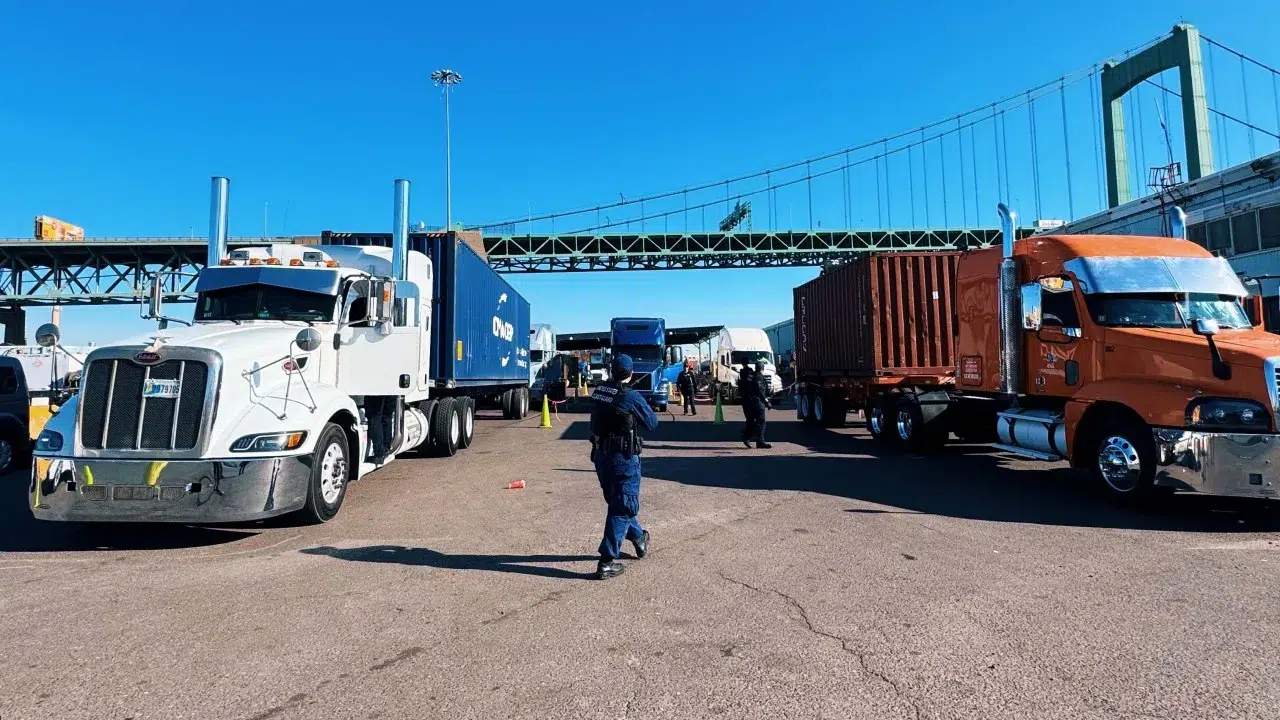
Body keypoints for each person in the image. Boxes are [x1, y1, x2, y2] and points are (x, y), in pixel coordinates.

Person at [588, 354, 659, 580]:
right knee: (623, 506)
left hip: (601, 456)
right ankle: (607, 561)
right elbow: (652, 423)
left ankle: (638, 537)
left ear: (611, 370)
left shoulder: (600, 391)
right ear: (631, 374)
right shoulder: (630, 396)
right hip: (622, 458)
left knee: (618, 503)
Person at [739, 360, 773, 449]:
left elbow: (746, 386)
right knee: (761, 422)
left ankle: (746, 437)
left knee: (750, 421)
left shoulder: (750, 375)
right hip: (756, 403)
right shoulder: (759, 377)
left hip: (747, 402)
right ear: (762, 368)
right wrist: (767, 402)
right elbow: (759, 390)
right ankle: (760, 442)